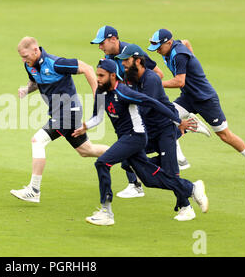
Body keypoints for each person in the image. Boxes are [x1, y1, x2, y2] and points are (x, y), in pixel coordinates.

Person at [73, 59, 208, 225]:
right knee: (149, 179)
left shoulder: (123, 92)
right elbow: (98, 116)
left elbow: (152, 102)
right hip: (126, 138)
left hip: (135, 137)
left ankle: (106, 212)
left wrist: (177, 121)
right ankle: (191, 188)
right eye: (97, 75)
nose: (97, 78)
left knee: (102, 163)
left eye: (101, 75)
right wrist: (85, 126)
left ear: (113, 76)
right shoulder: (101, 93)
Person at [90, 26, 209, 197]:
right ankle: (139, 182)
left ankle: (178, 135)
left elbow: (156, 75)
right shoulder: (108, 58)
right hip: (132, 109)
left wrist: (141, 91)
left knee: (139, 156)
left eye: (102, 43)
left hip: (149, 116)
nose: (100, 47)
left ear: (113, 39)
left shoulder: (133, 54)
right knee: (130, 157)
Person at [147, 28, 245, 183]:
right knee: (166, 117)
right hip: (188, 97)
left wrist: (155, 83)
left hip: (205, 99)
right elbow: (186, 41)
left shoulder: (179, 55)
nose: (157, 51)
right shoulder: (174, 47)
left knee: (224, 135)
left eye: (159, 48)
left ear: (169, 43)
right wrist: (194, 58)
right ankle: (180, 159)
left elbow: (179, 81)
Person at [10, 36, 109, 203]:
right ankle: (129, 156)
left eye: (25, 56)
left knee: (37, 141)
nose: (23, 60)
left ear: (36, 50)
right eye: (21, 56)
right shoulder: (30, 65)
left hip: (68, 112)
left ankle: (34, 190)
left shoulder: (56, 63)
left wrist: (96, 93)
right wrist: (27, 90)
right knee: (86, 151)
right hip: (59, 114)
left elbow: (87, 68)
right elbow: (35, 82)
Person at [114, 44, 198, 198]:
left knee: (171, 174)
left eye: (126, 60)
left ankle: (186, 207)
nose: (123, 64)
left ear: (138, 61)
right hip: (149, 131)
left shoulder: (151, 79)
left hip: (164, 129)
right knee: (127, 162)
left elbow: (145, 108)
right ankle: (171, 157)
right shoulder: (130, 78)